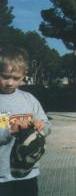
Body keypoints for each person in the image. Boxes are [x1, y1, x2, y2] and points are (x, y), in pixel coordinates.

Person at [0, 46, 51, 196]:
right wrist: (10, 131)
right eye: (4, 76)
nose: (10, 82)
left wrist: (41, 126)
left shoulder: (29, 99)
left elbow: (47, 125)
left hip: (28, 173)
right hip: (2, 176)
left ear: (24, 76)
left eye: (16, 78)